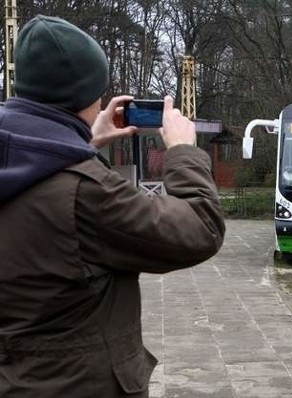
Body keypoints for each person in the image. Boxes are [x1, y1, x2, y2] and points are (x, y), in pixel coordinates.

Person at [0, 15, 225, 397]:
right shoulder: (86, 193)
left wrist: (82, 141)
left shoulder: (18, 163)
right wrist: (184, 152)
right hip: (76, 385)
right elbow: (200, 229)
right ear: (87, 98)